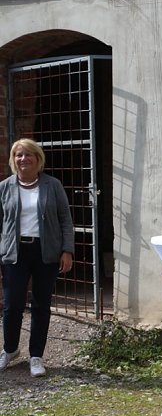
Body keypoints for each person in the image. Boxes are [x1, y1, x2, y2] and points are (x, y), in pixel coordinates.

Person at [0, 138, 75, 378]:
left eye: (28, 155)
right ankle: (10, 350)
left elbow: (65, 219)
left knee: (41, 305)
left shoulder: (52, 185)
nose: (23, 159)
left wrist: (67, 250)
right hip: (14, 252)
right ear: (14, 160)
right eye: (19, 155)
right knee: (12, 305)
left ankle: (36, 356)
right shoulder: (4, 187)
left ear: (38, 158)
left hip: (46, 252)